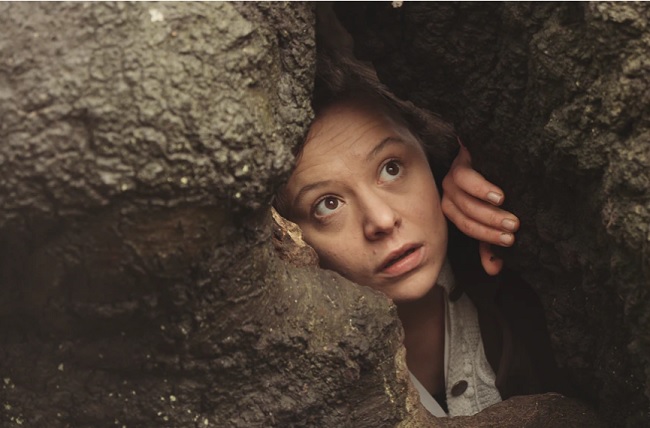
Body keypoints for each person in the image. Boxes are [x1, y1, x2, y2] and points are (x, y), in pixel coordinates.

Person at [273, 48, 565, 417]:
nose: (381, 220)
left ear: (428, 154)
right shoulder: (298, 385)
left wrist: (498, 166)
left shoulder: (518, 278)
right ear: (288, 237)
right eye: (327, 204)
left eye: (391, 168)